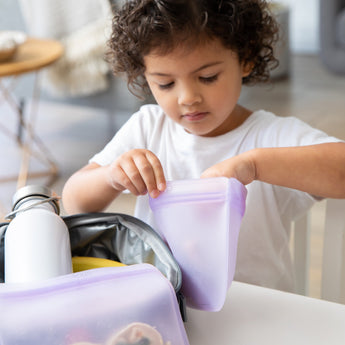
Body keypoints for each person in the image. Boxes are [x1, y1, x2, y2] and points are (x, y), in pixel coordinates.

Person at [62, 0, 345, 292]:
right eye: (165, 84)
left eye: (207, 77)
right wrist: (111, 176)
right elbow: (74, 201)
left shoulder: (269, 137)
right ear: (145, 76)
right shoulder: (148, 127)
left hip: (257, 318)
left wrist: (255, 166)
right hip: (166, 310)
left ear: (245, 58)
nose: (187, 97)